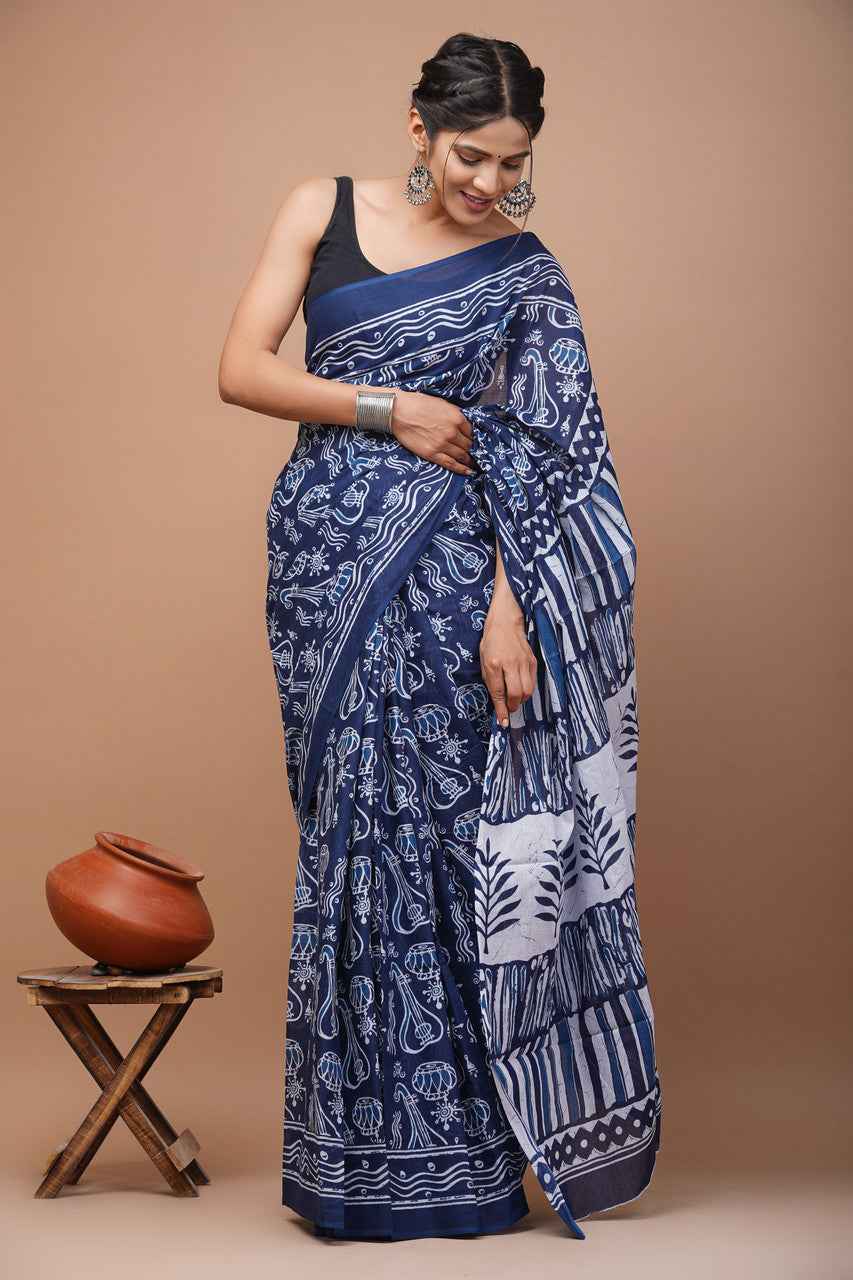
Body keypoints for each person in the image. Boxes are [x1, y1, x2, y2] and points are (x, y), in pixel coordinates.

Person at [218, 31, 662, 1242]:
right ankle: (352, 1164)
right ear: (419, 128)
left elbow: (553, 459)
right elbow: (240, 369)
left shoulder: (525, 271)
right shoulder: (324, 207)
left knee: (449, 841)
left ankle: (465, 1163)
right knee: (352, 841)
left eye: (511, 162)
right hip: (323, 568)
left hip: (459, 582)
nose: (487, 182)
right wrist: (391, 407)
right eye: (470, 154)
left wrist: (512, 606)